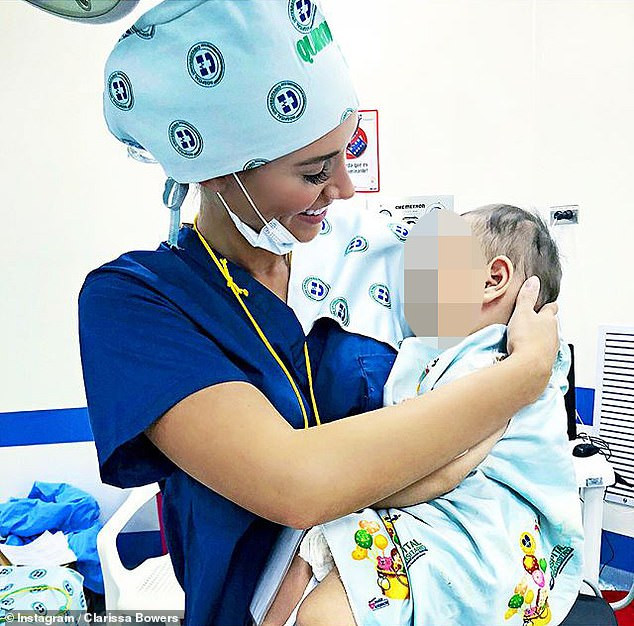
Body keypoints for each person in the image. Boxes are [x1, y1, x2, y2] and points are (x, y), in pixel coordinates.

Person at [78, 3, 560, 625]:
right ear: (216, 169)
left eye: (347, 153)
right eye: (314, 172)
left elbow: (501, 339)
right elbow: (297, 483)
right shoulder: (137, 302)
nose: (346, 189)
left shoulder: (380, 252)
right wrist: (520, 377)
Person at [288, 206, 583, 626]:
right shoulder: (451, 356)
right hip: (452, 523)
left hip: (479, 539)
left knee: (322, 614)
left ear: (492, 280)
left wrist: (352, 496)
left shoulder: (488, 362)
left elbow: (441, 471)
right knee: (300, 572)